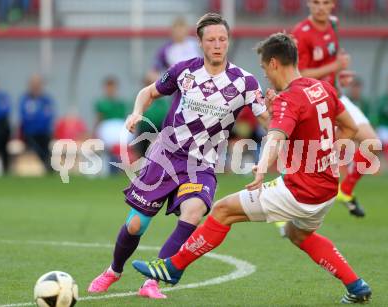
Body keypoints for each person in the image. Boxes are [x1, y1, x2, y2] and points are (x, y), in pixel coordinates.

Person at [132, 33, 372, 304]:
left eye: (263, 68)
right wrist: (325, 155)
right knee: (298, 233)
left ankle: (172, 267)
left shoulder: (289, 99)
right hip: (327, 190)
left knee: (222, 211)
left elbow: (276, 137)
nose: (266, 76)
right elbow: (350, 128)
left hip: (298, 191)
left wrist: (261, 169)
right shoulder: (321, 89)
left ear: (273, 64)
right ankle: (356, 285)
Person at [88, 13, 269, 299]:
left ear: (229, 41)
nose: (218, 44)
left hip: (202, 164)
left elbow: (270, 121)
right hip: (165, 155)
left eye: (222, 39)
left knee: (194, 211)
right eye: (211, 40)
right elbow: (148, 93)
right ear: (200, 43)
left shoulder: (245, 82)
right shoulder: (183, 71)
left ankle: (153, 282)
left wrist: (279, 132)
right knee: (136, 224)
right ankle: (113, 270)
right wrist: (137, 112)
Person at [290, 0, 380, 218]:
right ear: (308, 4)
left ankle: (345, 191)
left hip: (336, 95)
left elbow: (334, 60)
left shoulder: (334, 24)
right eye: (316, 2)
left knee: (373, 144)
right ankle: (289, 204)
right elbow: (298, 73)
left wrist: (340, 76)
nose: (321, 7)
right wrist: (334, 67)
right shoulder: (301, 33)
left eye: (326, 2)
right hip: (313, 99)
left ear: (333, 5)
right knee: (306, 157)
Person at [145, 16, 201, 83]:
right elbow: (154, 71)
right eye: (177, 30)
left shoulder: (196, 44)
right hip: (178, 84)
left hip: (199, 79)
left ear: (187, 30)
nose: (179, 32)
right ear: (172, 31)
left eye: (182, 29)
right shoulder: (166, 49)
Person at [19, 74, 54, 173]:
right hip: (30, 132)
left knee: (46, 149)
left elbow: (48, 115)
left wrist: (35, 117)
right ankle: (47, 165)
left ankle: (49, 167)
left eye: (37, 84)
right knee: (37, 149)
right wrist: (35, 118)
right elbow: (24, 116)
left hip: (44, 132)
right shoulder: (25, 99)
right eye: (33, 84)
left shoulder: (46, 100)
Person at [0, 77, 11, 174]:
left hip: (1, 127)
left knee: (3, 147)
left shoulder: (3, 96)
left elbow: (4, 111)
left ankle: (5, 169)